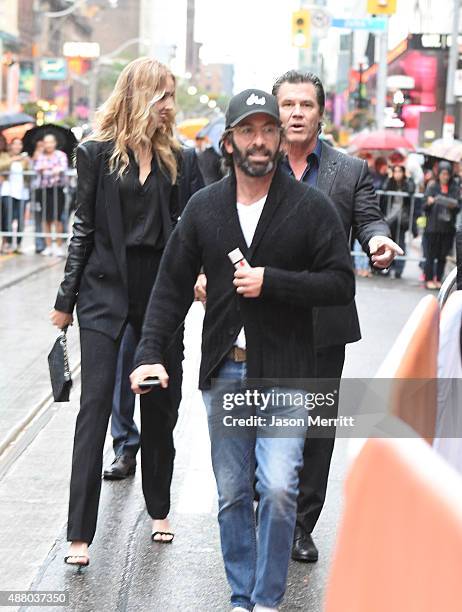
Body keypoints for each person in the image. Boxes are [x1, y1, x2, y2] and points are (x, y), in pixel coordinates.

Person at [130, 89, 355, 612]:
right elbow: (169, 289)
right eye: (248, 132)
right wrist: (148, 353)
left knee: (278, 490)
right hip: (227, 375)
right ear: (228, 142)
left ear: (280, 137)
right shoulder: (205, 208)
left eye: (269, 130)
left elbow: (339, 284)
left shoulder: (309, 206)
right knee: (233, 494)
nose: (260, 141)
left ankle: (267, 601)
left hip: (287, 374)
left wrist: (272, 282)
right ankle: (241, 597)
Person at [50, 57, 185, 567]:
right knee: (94, 410)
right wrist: (66, 300)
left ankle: (159, 508)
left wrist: (194, 277)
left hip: (159, 293)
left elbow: (185, 230)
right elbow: (83, 228)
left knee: (158, 404)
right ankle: (79, 533)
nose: (170, 106)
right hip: (104, 291)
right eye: (164, 95)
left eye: (172, 95)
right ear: (140, 95)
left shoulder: (179, 158)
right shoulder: (95, 153)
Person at [271, 70, 401, 564]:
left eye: (307, 104)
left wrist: (376, 240)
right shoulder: (255, 165)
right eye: (288, 104)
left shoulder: (349, 171)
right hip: (267, 315)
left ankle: (302, 525)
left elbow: (368, 217)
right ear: (276, 111)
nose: (297, 113)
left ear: (322, 113)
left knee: (317, 425)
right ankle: (269, 511)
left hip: (326, 318)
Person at [104, 144, 204, 480]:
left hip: (167, 278)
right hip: (123, 277)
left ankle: (158, 444)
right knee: (124, 361)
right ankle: (125, 445)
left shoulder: (181, 157)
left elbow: (198, 212)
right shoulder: (114, 156)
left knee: (167, 376)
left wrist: (199, 269)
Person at [423, 160, 460, 290]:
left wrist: (446, 201)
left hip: (447, 228)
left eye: (447, 174)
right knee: (430, 255)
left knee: (442, 256)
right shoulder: (432, 186)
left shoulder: (454, 187)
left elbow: (457, 205)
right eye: (443, 174)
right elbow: (424, 205)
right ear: (439, 174)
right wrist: (430, 202)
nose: (445, 177)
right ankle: (428, 279)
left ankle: (438, 278)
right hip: (432, 227)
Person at [33, 133, 68, 256]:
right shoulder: (40, 156)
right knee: (45, 219)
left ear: (55, 143)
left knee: (57, 218)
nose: (48, 145)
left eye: (50, 142)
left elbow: (62, 168)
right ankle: (48, 245)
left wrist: (47, 169)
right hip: (44, 191)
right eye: (46, 142)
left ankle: (58, 245)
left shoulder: (61, 155)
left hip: (57, 189)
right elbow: (37, 168)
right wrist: (51, 169)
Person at [381, 165, 415, 279]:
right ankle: (386, 267)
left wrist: (409, 178)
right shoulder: (391, 182)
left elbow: (411, 190)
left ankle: (398, 270)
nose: (397, 174)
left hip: (402, 219)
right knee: (388, 243)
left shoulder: (407, 183)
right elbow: (384, 188)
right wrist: (389, 177)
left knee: (400, 244)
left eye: (399, 171)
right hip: (390, 218)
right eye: (395, 171)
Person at [0, 138, 30, 254]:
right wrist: (14, 159)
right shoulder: (4, 156)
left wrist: (28, 163)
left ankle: (18, 244)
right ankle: (6, 242)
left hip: (21, 193)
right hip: (8, 192)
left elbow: (28, 176)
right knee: (7, 218)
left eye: (19, 144)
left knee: (20, 220)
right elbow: (1, 165)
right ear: (11, 146)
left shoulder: (24, 159)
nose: (17, 147)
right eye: (15, 144)